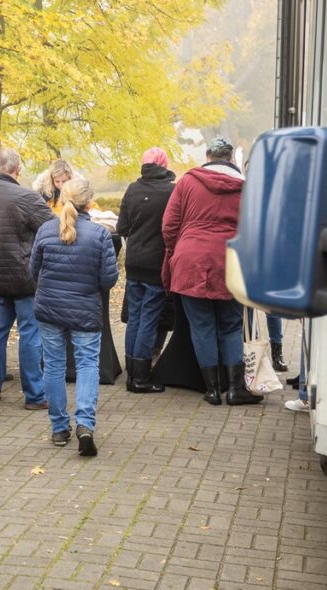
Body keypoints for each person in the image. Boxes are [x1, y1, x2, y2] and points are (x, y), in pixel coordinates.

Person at [162, 136, 260, 406]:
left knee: (202, 326)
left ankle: (212, 389)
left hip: (190, 260)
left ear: (207, 157)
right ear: (230, 159)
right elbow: (255, 229)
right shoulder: (246, 187)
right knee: (230, 325)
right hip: (230, 260)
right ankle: (235, 389)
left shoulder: (187, 182)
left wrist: (175, 250)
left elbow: (169, 225)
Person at [30, 176, 119, 455]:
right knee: (87, 365)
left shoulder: (45, 230)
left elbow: (33, 271)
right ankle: (84, 424)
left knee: (54, 366)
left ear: (62, 198)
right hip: (84, 310)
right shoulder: (100, 234)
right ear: (89, 202)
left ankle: (59, 427)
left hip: (49, 308)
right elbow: (109, 279)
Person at [0, 148, 55, 409]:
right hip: (24, 279)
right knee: (30, 333)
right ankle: (34, 395)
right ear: (17, 170)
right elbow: (51, 227)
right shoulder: (27, 197)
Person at [117, 146, 176, 393]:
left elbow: (122, 227)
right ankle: (141, 378)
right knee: (149, 319)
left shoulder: (133, 189)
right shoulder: (171, 191)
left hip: (134, 263)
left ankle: (132, 371)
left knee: (136, 317)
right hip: (156, 265)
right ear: (164, 164)